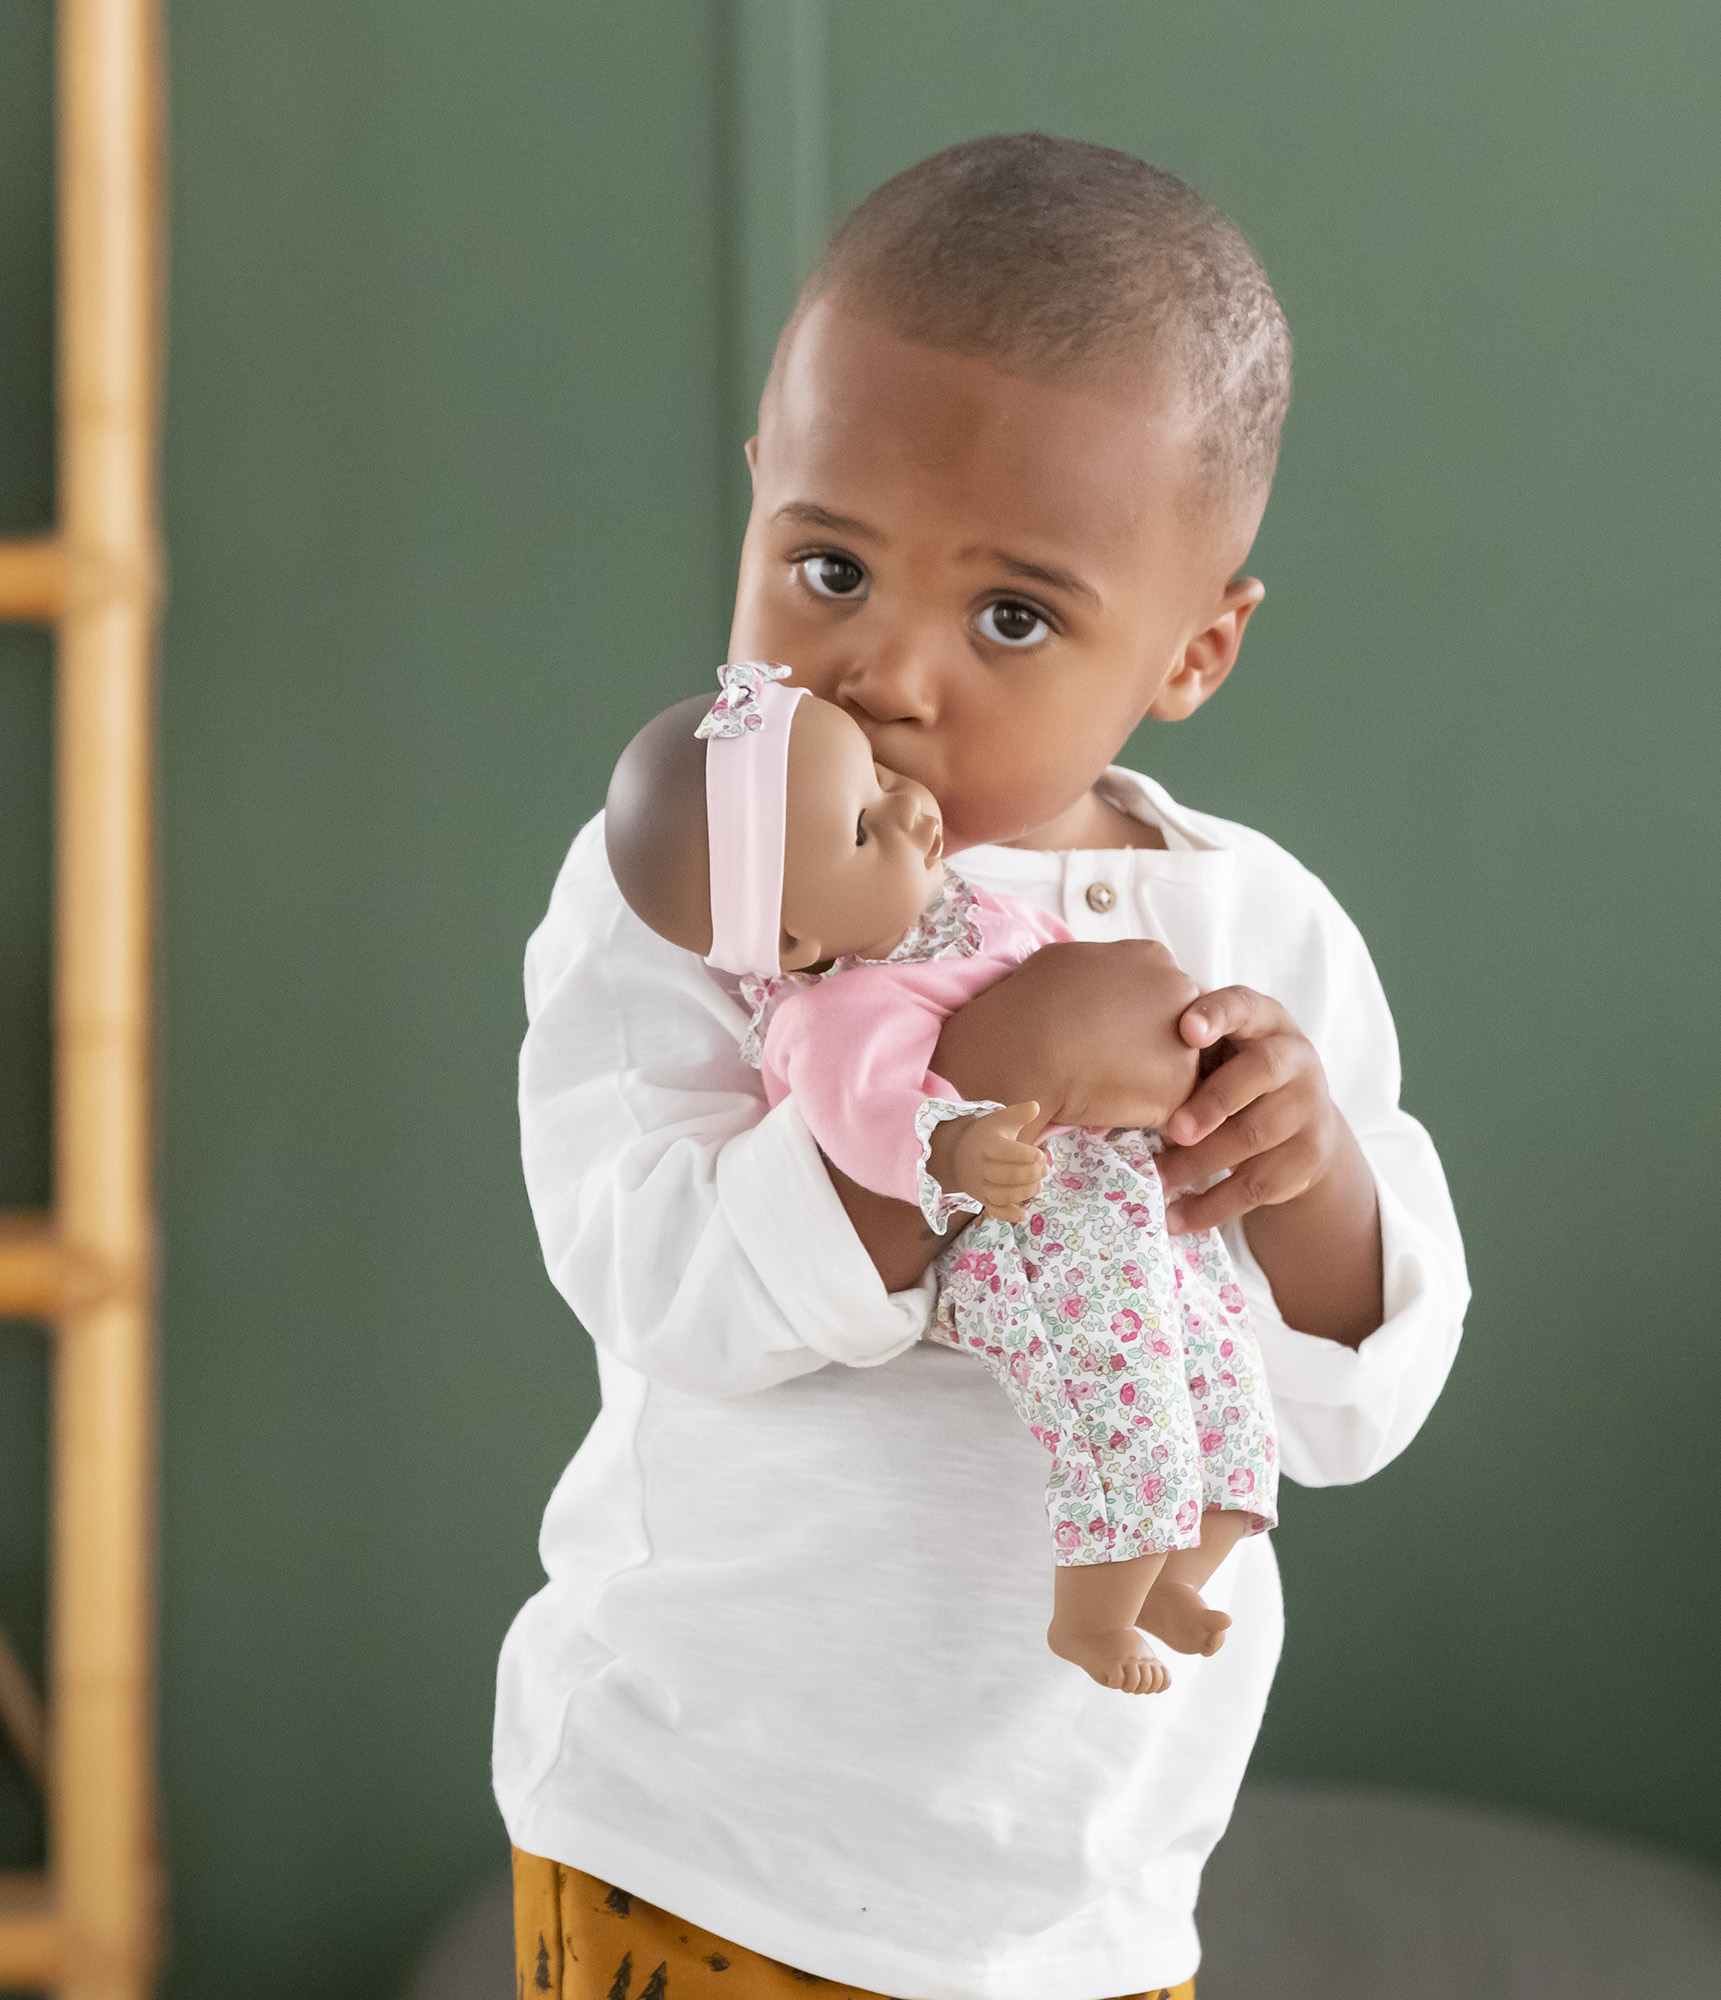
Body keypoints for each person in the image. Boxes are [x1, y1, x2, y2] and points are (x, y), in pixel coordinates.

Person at [498, 134, 1470, 2000]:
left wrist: (1309, 1169)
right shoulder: (703, 871)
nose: (888, 674)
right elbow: (651, 1272)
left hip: (1074, 1897)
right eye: (830, 564)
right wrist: (944, 1123)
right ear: (758, 493)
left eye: (1013, 615)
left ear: (1195, 647)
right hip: (697, 1826)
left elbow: (1353, 1408)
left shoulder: (1248, 931)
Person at [600, 665, 1280, 1695]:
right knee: (1117, 1392)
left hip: (1113, 1189)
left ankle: (1179, 1569)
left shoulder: (958, 906)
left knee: (1220, 1361)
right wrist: (950, 1148)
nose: (911, 804)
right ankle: (1092, 1615)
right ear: (791, 939)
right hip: (1018, 1235)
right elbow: (866, 1120)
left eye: (877, 775)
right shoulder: (830, 1014)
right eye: (867, 824)